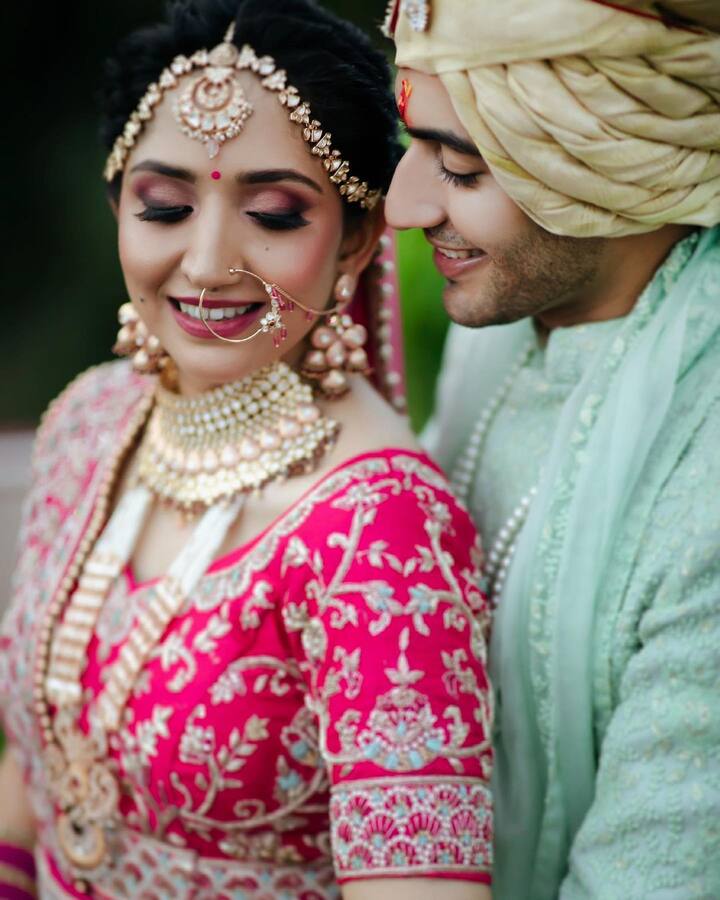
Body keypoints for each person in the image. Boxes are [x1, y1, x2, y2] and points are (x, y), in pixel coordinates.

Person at [0, 1, 495, 897]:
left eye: (272, 214)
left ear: (355, 241)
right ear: (117, 206)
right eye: (164, 206)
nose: (206, 262)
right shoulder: (89, 424)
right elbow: (36, 770)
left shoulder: (383, 531)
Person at [383, 1, 720, 898]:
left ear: (609, 161)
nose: (402, 204)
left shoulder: (706, 488)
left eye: (459, 165)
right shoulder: (501, 338)